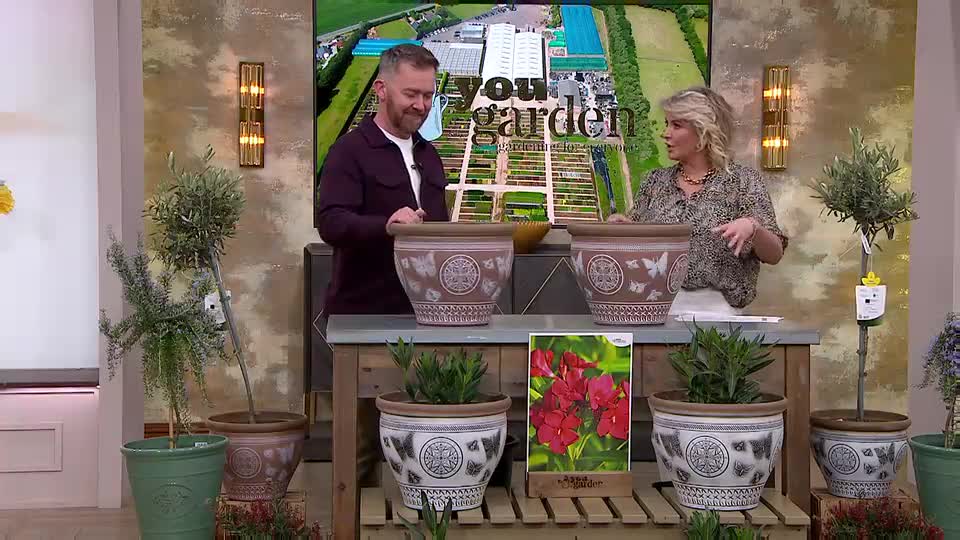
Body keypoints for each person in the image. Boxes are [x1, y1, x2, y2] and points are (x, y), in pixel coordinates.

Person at [315, 44, 448, 484]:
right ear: (381, 90)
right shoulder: (350, 152)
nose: (422, 105)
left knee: (423, 436)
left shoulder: (429, 156)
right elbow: (331, 223)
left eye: (429, 95)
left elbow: (439, 231)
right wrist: (386, 227)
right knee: (362, 442)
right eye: (412, 94)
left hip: (423, 318)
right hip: (362, 317)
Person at [609, 87, 787, 315]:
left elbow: (774, 254)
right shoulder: (655, 182)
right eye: (667, 124)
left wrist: (754, 228)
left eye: (676, 125)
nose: (665, 133)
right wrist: (624, 229)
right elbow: (638, 247)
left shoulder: (742, 182)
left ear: (703, 133)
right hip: (654, 310)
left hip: (719, 319)